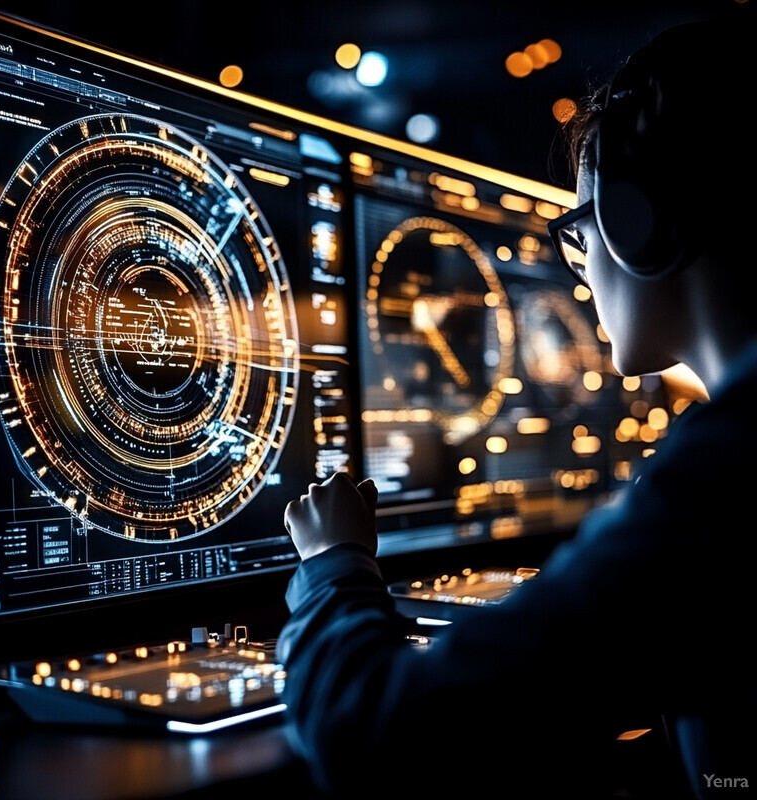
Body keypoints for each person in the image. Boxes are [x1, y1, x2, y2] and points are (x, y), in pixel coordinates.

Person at [277, 4, 756, 798]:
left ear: (641, 226)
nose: (580, 268)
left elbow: (374, 729)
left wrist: (333, 568)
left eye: (581, 227)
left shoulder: (731, 478)